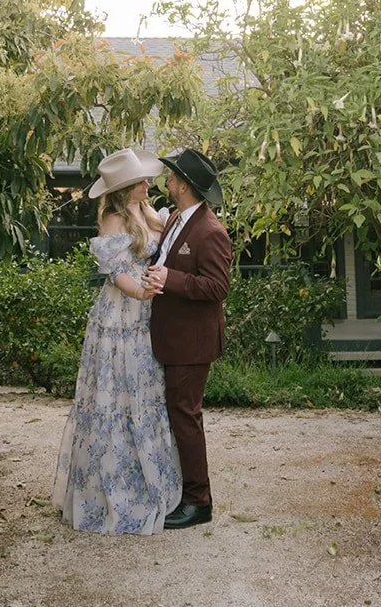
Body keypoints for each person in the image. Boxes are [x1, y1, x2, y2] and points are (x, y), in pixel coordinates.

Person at [52, 147, 182, 534]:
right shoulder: (113, 220)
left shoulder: (151, 213)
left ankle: (153, 482)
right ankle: (113, 493)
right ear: (124, 189)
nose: (148, 184)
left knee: (146, 394)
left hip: (148, 315)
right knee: (116, 396)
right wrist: (142, 291)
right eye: (140, 181)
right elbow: (119, 274)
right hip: (121, 318)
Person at [142, 147, 231, 529]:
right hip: (172, 336)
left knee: (186, 417)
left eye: (173, 176)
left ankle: (199, 501)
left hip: (192, 343)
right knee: (178, 416)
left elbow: (217, 287)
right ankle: (184, 490)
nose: (169, 180)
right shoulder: (177, 218)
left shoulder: (210, 232)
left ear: (185, 185)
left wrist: (170, 279)